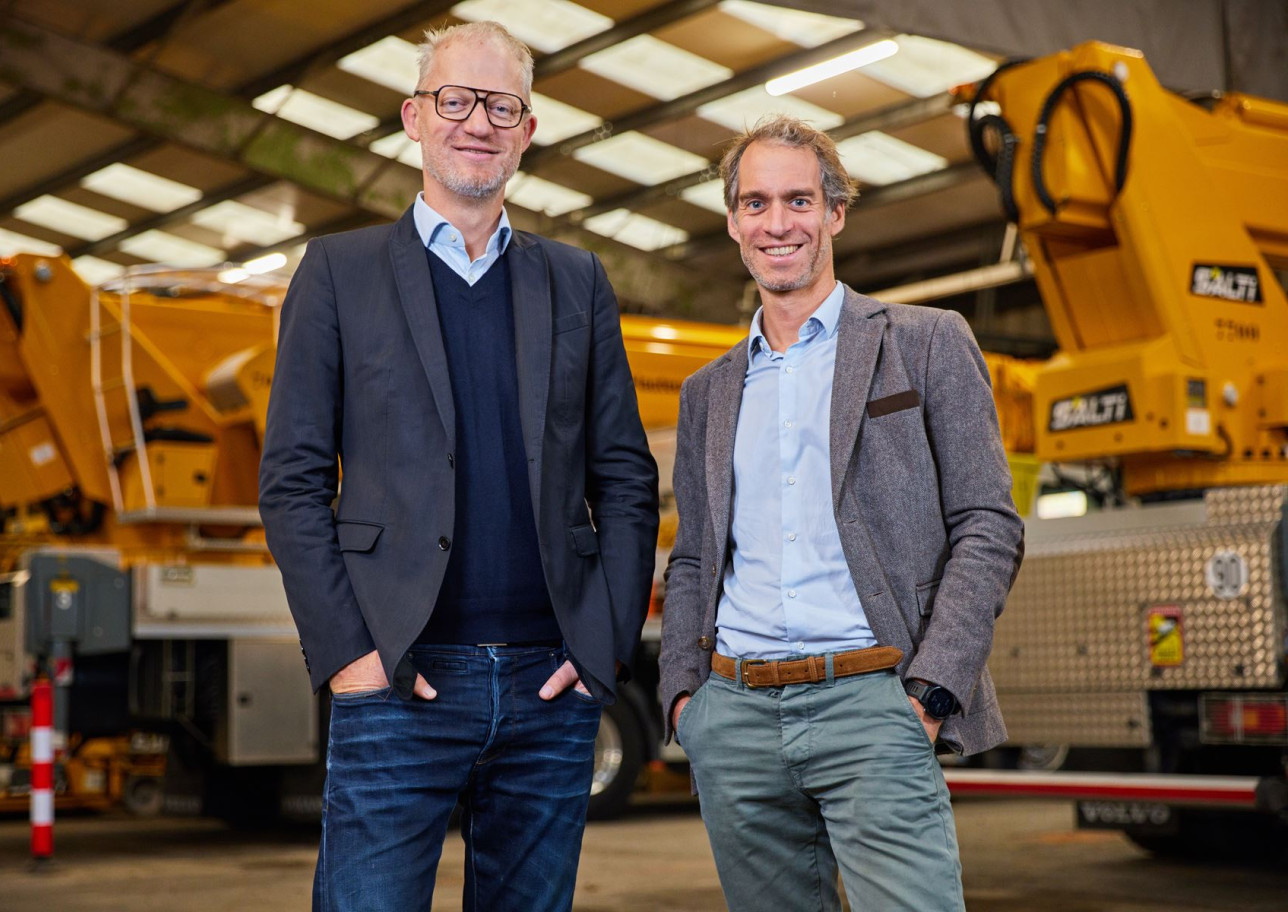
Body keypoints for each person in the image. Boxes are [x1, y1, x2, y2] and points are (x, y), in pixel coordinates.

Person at [258, 21, 658, 912]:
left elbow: (626, 478)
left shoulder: (577, 280)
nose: (477, 120)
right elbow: (289, 479)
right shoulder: (337, 272)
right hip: (398, 678)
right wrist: (351, 658)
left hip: (549, 687)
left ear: (529, 128)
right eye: (456, 99)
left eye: (501, 104)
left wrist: (601, 652)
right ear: (414, 117)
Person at [658, 115, 1024, 912]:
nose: (777, 222)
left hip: (876, 703)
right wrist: (688, 701)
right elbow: (693, 555)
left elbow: (988, 524)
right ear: (732, 221)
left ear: (835, 212)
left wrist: (928, 695)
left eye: (799, 200)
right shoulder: (708, 392)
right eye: (756, 203)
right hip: (737, 716)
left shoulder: (925, 342)